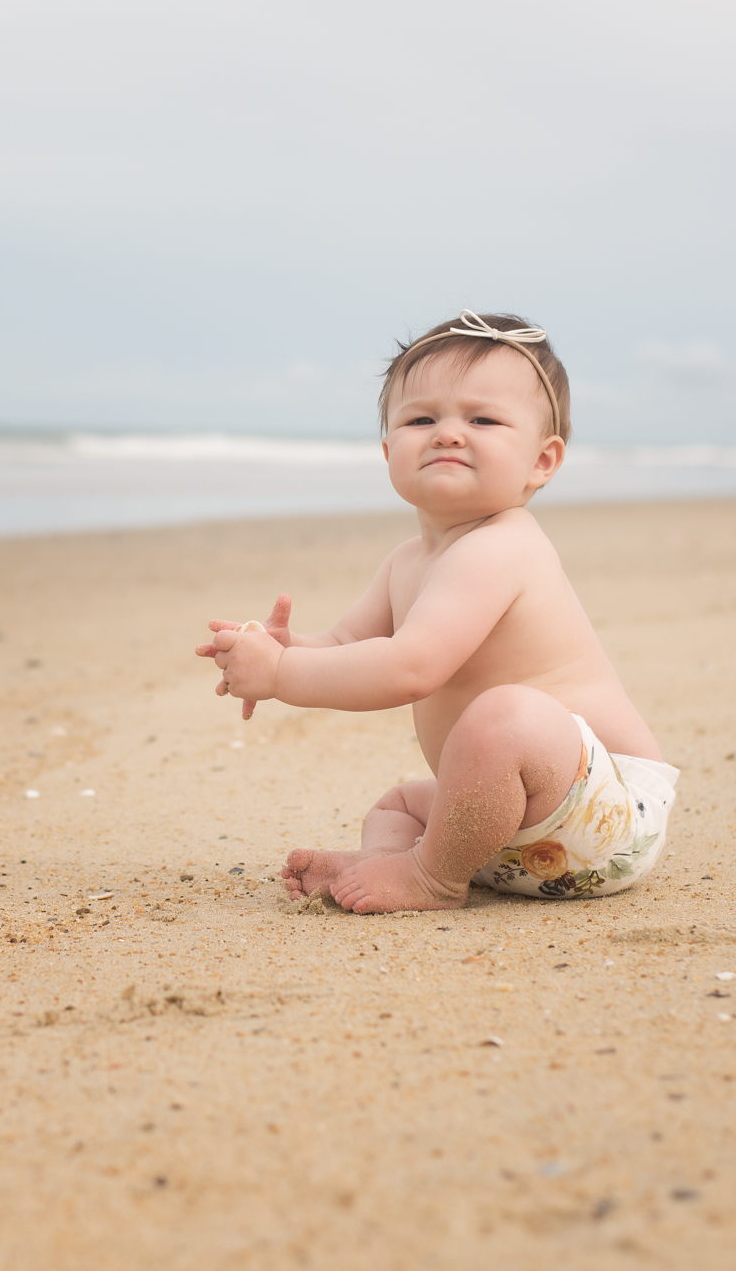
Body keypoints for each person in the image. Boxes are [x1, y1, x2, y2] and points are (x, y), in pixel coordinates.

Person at [196, 311, 677, 914]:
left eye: (483, 419)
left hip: (603, 816)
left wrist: (281, 678)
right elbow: (347, 640)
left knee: (506, 715)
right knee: (399, 805)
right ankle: (391, 859)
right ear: (388, 448)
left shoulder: (503, 545)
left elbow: (411, 666)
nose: (448, 433)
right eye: (421, 419)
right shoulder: (405, 561)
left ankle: (432, 876)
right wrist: (285, 649)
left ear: (542, 461)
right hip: (505, 829)